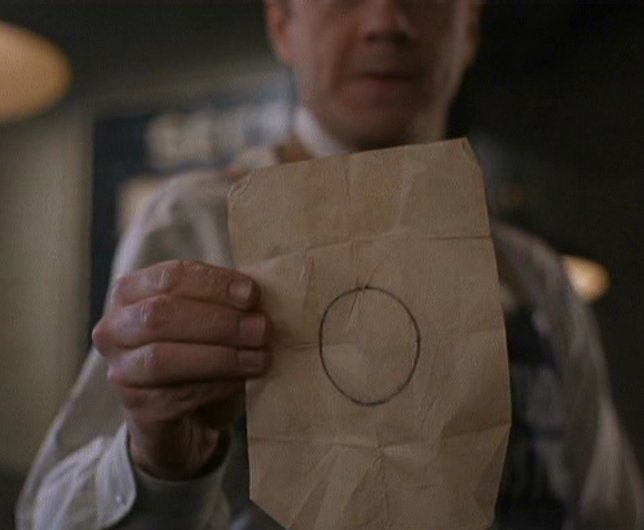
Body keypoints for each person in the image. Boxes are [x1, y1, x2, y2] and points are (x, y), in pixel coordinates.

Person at [17, 1, 644, 529]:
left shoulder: (534, 275)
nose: (387, 21)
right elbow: (52, 516)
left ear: (470, 25)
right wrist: (155, 461)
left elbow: (609, 507)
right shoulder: (201, 225)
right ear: (283, 24)